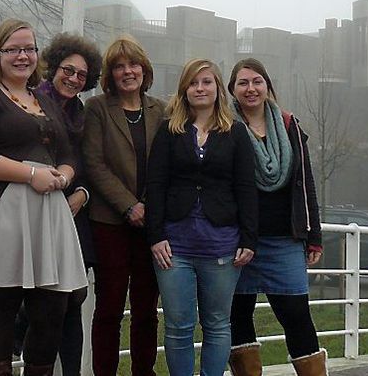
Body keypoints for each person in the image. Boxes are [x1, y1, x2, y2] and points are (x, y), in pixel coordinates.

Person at [0, 19, 86, 376]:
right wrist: (30, 174)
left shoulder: (43, 99)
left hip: (47, 219)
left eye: (30, 48)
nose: (23, 56)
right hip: (1, 217)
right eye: (14, 49)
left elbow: (69, 153)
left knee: (52, 311)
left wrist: (65, 175)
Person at [146, 58, 258, 376]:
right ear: (184, 89)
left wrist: (249, 238)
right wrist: (155, 236)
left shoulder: (236, 133)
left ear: (217, 88)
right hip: (173, 248)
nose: (200, 88)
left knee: (218, 324)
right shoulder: (169, 131)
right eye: (193, 82)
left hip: (222, 246)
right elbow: (155, 185)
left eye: (207, 81)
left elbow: (246, 189)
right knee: (179, 326)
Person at [225, 58, 325, 376]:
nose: (250, 88)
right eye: (243, 83)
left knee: (296, 315)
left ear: (268, 86)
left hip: (284, 239)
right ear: (232, 90)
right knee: (237, 317)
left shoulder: (289, 124)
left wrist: (314, 235)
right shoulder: (224, 127)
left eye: (257, 81)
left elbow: (305, 182)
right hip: (238, 242)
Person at [12, 33, 103, 375]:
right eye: (68, 69)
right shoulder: (32, 102)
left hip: (73, 213)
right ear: (54, 67)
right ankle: (28, 353)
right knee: (41, 299)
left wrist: (82, 194)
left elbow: (90, 163)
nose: (74, 78)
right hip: (35, 209)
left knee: (74, 295)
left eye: (82, 75)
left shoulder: (83, 114)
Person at [82, 35, 165, 376]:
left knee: (146, 312)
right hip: (110, 224)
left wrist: (147, 205)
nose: (128, 72)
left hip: (153, 226)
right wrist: (129, 206)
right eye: (119, 66)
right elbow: (94, 164)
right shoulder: (98, 109)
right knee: (109, 310)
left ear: (144, 70)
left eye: (133, 65)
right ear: (110, 75)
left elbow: (167, 164)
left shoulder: (162, 110)